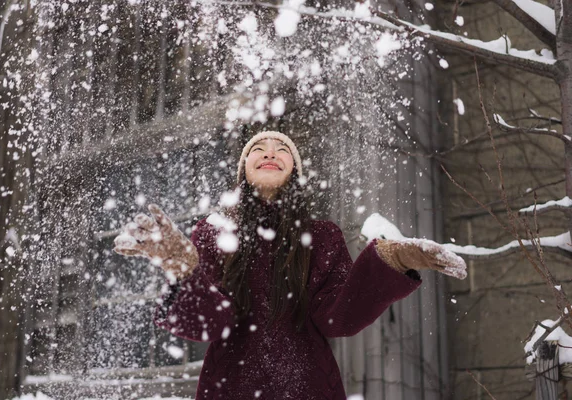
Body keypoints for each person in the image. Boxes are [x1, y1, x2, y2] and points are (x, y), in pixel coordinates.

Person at [113, 131, 464, 400]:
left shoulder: (322, 236)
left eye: (281, 149)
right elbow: (210, 323)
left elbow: (338, 318)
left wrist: (392, 261)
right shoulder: (212, 233)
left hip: (309, 387)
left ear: (294, 168)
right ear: (243, 170)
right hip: (230, 387)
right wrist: (185, 272)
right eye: (257, 149)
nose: (269, 152)